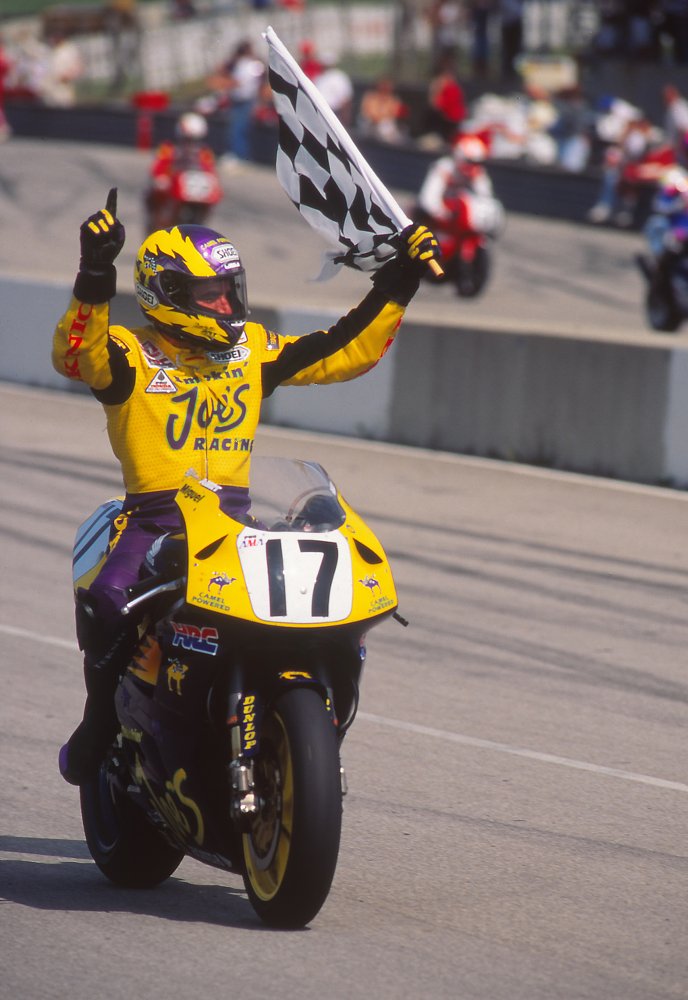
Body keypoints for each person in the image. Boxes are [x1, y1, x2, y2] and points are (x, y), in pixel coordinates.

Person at [53, 191, 440, 785]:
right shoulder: (131, 352)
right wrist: (95, 273)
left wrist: (398, 283)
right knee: (107, 600)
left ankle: (305, 724)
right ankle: (100, 719)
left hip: (236, 522)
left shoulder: (250, 350)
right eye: (211, 294)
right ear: (169, 295)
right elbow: (75, 353)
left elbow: (345, 352)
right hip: (155, 522)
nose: (226, 304)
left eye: (232, 290)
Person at [637, 129, 688, 296]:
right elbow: (661, 204)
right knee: (663, 233)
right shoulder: (676, 176)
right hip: (681, 227)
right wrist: (681, 203)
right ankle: (660, 276)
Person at [144, 111, 221, 231]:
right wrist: (161, 177)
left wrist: (213, 181)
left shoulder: (204, 152)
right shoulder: (169, 148)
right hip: (172, 186)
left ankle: (199, 227)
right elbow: (159, 165)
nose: (190, 143)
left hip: (194, 188)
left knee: (214, 197)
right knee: (155, 194)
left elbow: (210, 168)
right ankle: (158, 224)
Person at [416, 133, 504, 238]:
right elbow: (428, 200)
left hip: (462, 218)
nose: (473, 166)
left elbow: (486, 198)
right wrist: (444, 214)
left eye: (478, 163)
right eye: (470, 162)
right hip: (438, 217)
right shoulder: (444, 168)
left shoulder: (478, 173)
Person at [206, 40, 265, 162]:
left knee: (239, 129)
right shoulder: (240, 63)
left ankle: (240, 155)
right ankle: (238, 154)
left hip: (246, 101)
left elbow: (238, 82)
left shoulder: (252, 64)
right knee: (235, 128)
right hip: (238, 100)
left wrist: (221, 83)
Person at [357, 77, 408, 144]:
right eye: (383, 85)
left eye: (387, 85)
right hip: (370, 125)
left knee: (386, 126)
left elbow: (394, 115)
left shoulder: (394, 100)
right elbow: (368, 112)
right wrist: (377, 117)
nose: (385, 87)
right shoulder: (370, 97)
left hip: (386, 127)